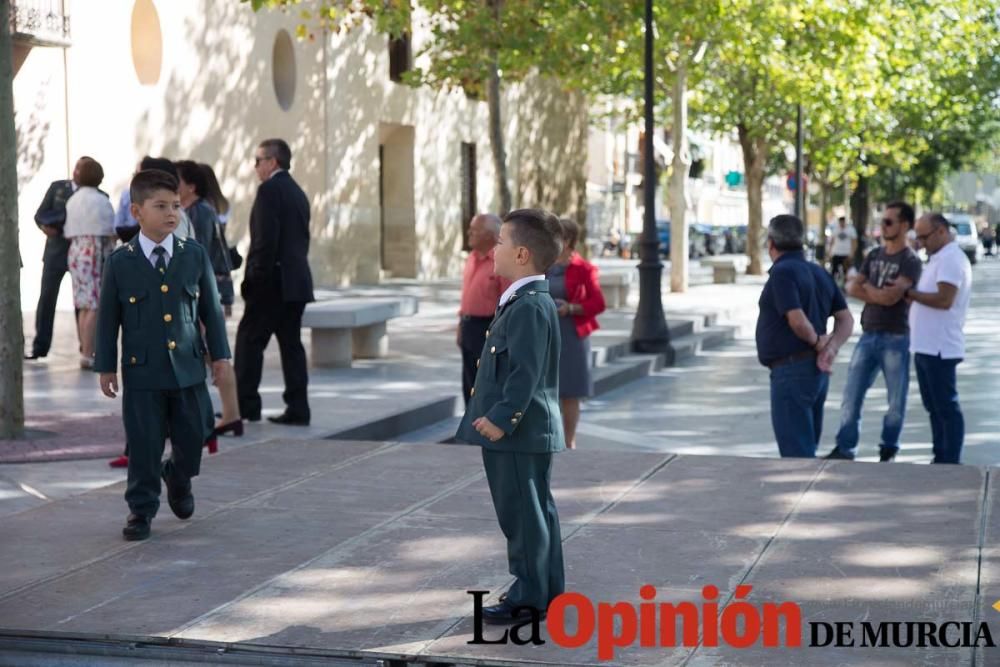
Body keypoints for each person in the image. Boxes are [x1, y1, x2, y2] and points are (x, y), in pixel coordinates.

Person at [94, 169, 231, 541]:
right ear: (137, 212)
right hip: (142, 372)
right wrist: (105, 365)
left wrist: (220, 357)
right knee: (144, 444)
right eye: (160, 206)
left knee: (194, 435)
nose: (171, 213)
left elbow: (211, 313)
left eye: (175, 205)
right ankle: (141, 510)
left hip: (187, 368)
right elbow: (108, 318)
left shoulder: (194, 255)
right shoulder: (120, 262)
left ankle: (179, 477)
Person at [456, 208, 565, 625]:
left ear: (521, 255)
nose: (495, 249)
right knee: (536, 511)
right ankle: (546, 589)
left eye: (501, 242)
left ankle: (528, 595)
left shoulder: (528, 306)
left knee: (522, 514)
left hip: (518, 432)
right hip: (525, 430)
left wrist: (503, 417)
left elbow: (526, 372)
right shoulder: (524, 300)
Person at [825, 202, 921, 462]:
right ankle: (845, 449)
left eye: (888, 222)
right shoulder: (874, 255)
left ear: (904, 225)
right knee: (851, 396)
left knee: (895, 403)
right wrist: (880, 294)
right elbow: (852, 288)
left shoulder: (910, 260)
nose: (883, 226)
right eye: (882, 221)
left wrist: (871, 293)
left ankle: (888, 448)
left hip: (896, 337)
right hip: (868, 335)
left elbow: (891, 297)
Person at [756, 214, 854, 458]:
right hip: (814, 372)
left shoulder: (782, 273)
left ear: (771, 243)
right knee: (806, 448)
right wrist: (830, 348)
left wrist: (818, 342)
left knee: (796, 457)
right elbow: (846, 319)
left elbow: (797, 320)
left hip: (791, 371)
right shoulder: (818, 271)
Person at [235, 139, 314, 425]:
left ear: (272, 162)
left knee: (248, 343)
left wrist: (253, 277)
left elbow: (264, 240)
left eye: (258, 160)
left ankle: (245, 406)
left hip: (272, 283)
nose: (255, 166)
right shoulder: (297, 192)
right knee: (291, 347)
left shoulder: (269, 190)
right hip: (296, 282)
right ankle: (298, 407)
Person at [176, 160, 242, 445]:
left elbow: (198, 255)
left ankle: (229, 415)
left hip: (208, 291)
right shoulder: (195, 210)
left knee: (213, 354)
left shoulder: (199, 212)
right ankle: (231, 415)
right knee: (212, 354)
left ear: (190, 186)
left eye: (177, 179)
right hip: (210, 290)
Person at [907, 213, 973, 464]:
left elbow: (945, 300)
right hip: (926, 346)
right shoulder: (938, 259)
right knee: (934, 408)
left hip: (940, 347)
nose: (921, 242)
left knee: (946, 407)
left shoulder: (951, 259)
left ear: (941, 232)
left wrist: (911, 294)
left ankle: (950, 460)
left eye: (924, 236)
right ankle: (941, 456)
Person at [548, 217, 605, 449]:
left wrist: (571, 308)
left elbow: (598, 303)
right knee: (544, 390)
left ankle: (569, 440)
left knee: (569, 392)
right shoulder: (543, 264)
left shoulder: (584, 268)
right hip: (546, 332)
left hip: (571, 334)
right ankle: (549, 438)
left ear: (568, 240)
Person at [26, 157, 89, 360]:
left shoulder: (95, 194)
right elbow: (39, 214)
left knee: (82, 302)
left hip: (81, 254)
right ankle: (40, 347)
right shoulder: (57, 188)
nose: (77, 171)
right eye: (77, 167)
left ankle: (86, 346)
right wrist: (46, 227)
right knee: (47, 299)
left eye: (82, 168)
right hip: (55, 252)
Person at [64, 158, 116, 369]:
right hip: (94, 249)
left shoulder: (72, 199)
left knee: (83, 302)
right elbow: (110, 230)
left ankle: (85, 347)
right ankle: (88, 352)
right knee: (94, 303)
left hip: (76, 249)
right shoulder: (101, 200)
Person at [457, 213, 510, 405]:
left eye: (475, 230)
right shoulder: (471, 258)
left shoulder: (501, 261)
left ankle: (486, 431)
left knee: (488, 384)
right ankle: (471, 430)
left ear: (490, 235)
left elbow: (508, 302)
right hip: (469, 326)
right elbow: (467, 295)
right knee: (470, 383)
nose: (469, 233)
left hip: (490, 328)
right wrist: (461, 325)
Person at [827, 216, 857, 282]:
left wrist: (852, 253)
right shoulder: (835, 229)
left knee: (846, 271)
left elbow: (854, 242)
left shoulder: (851, 229)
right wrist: (829, 252)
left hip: (846, 253)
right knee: (834, 270)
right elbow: (832, 241)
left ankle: (845, 284)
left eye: (842, 222)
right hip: (836, 253)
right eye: (840, 222)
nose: (841, 224)